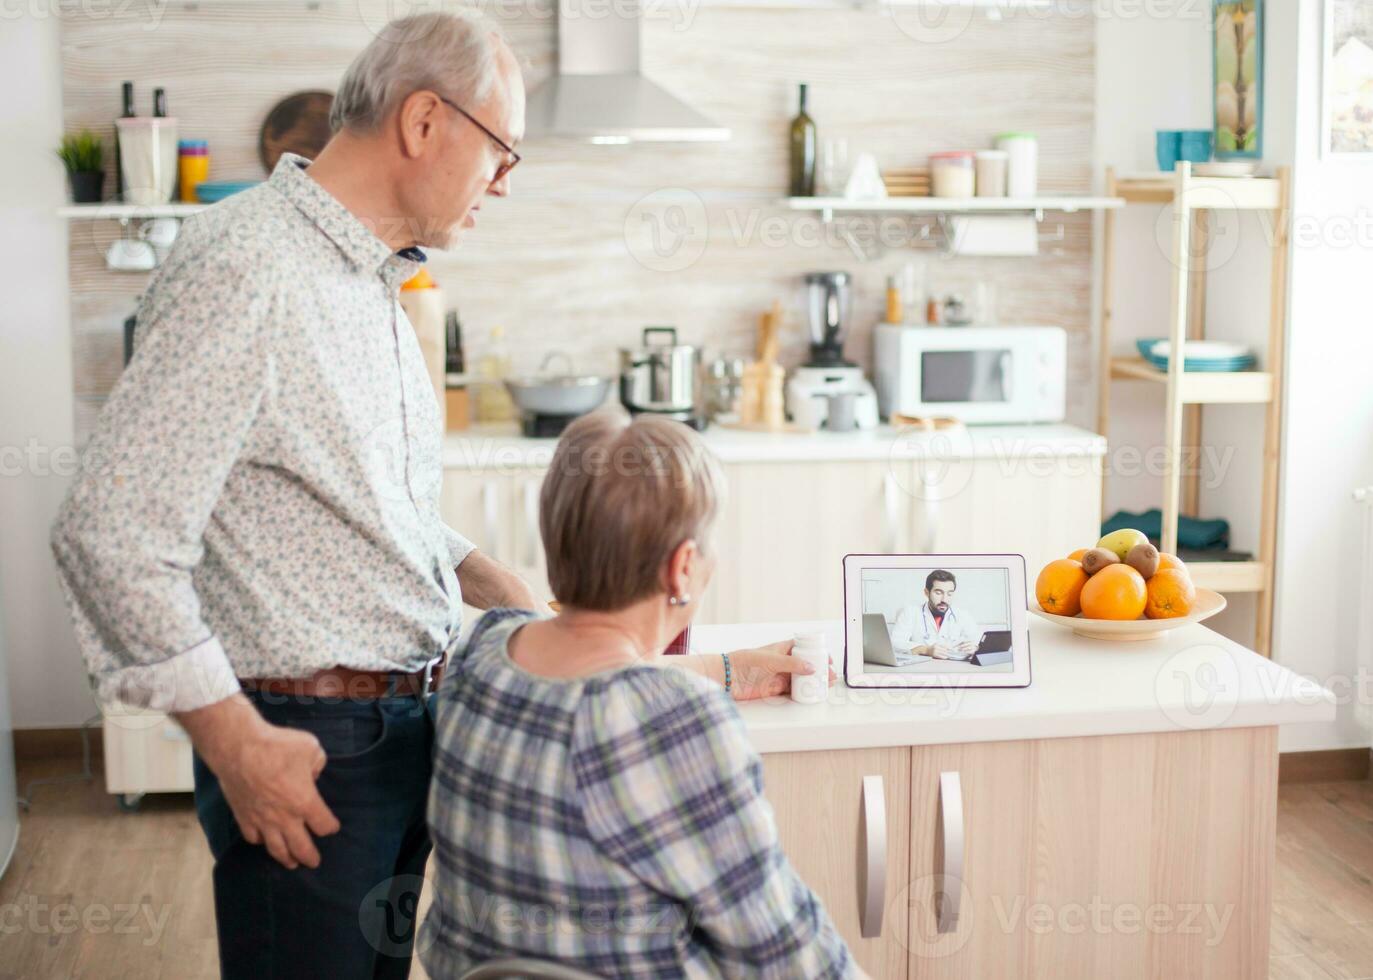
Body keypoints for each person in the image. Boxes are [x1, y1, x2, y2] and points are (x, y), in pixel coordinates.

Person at [49, 13, 808, 979]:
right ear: (422, 122)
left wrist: (475, 566)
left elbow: (341, 485)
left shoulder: (369, 277)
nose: (504, 182)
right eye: (503, 152)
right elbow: (107, 533)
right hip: (306, 747)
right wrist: (236, 744)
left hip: (399, 736)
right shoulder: (250, 269)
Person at [421, 412, 861, 980]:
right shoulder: (678, 722)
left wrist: (724, 669)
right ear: (682, 568)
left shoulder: (481, 654)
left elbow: (586, 675)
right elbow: (790, 955)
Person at [889, 569, 981, 659]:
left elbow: (978, 641)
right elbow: (895, 644)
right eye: (938, 593)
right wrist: (925, 650)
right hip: (921, 668)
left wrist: (976, 648)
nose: (944, 600)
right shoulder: (910, 612)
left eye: (949, 594)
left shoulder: (963, 615)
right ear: (926, 592)